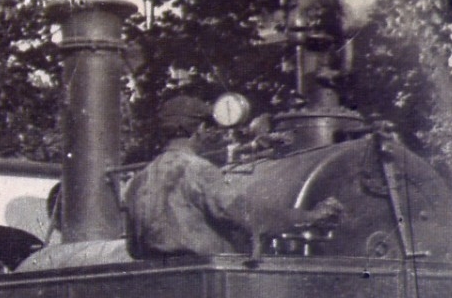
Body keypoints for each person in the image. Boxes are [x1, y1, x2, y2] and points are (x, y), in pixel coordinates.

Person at [125, 95, 343, 257]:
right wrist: (310, 217)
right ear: (199, 128)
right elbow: (249, 218)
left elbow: (133, 249)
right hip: (207, 287)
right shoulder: (198, 170)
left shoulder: (138, 181)